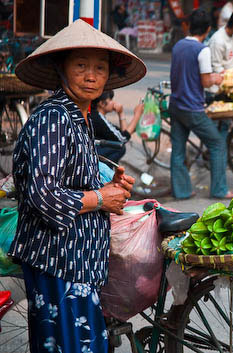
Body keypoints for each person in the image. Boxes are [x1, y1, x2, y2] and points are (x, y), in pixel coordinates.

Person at [9, 19, 145, 353]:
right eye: (81, 65)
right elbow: (43, 194)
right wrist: (100, 198)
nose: (91, 75)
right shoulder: (53, 117)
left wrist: (105, 186)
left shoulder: (79, 115)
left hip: (77, 259)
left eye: (100, 67)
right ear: (61, 68)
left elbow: (68, 178)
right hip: (58, 259)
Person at [169, 9, 233, 200]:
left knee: (178, 149)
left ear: (189, 26)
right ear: (207, 29)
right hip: (192, 108)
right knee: (217, 144)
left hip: (175, 105)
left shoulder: (178, 45)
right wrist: (218, 77)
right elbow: (206, 82)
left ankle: (181, 191)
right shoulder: (202, 50)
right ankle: (219, 189)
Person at [92, 90, 144, 164]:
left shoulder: (96, 115)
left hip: (95, 149)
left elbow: (122, 133)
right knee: (119, 148)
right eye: (110, 100)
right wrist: (137, 115)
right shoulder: (98, 118)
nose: (114, 103)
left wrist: (121, 113)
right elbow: (123, 139)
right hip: (94, 152)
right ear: (101, 103)